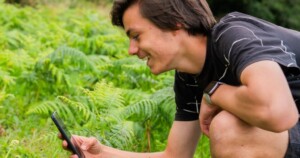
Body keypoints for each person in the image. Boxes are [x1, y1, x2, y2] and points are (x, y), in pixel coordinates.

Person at [59, 0, 300, 157]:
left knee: (228, 128)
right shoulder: (188, 76)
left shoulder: (234, 35)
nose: (132, 50)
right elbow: (175, 156)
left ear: (176, 25)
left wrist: (213, 93)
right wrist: (100, 153)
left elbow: (278, 113)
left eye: (136, 35)